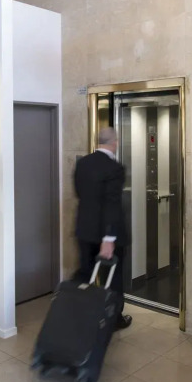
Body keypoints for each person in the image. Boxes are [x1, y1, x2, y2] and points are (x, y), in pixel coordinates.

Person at [74, 127, 132, 330]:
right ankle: (113, 319)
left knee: (86, 273)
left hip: (85, 231)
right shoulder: (115, 168)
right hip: (108, 236)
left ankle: (84, 316)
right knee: (113, 278)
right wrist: (108, 238)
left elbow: (80, 193)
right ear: (114, 143)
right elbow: (111, 204)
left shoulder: (82, 163)